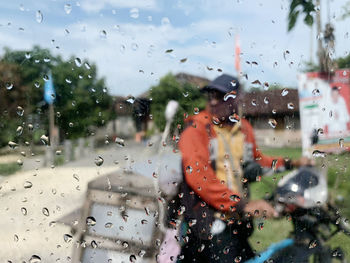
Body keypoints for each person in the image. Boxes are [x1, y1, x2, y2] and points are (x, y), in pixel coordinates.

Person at [166, 74, 309, 263]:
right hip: (208, 221)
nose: (214, 101)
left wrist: (292, 163)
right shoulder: (197, 128)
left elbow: (258, 163)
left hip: (237, 218)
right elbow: (199, 177)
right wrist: (244, 204)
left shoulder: (244, 128)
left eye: (221, 96)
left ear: (237, 99)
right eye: (211, 96)